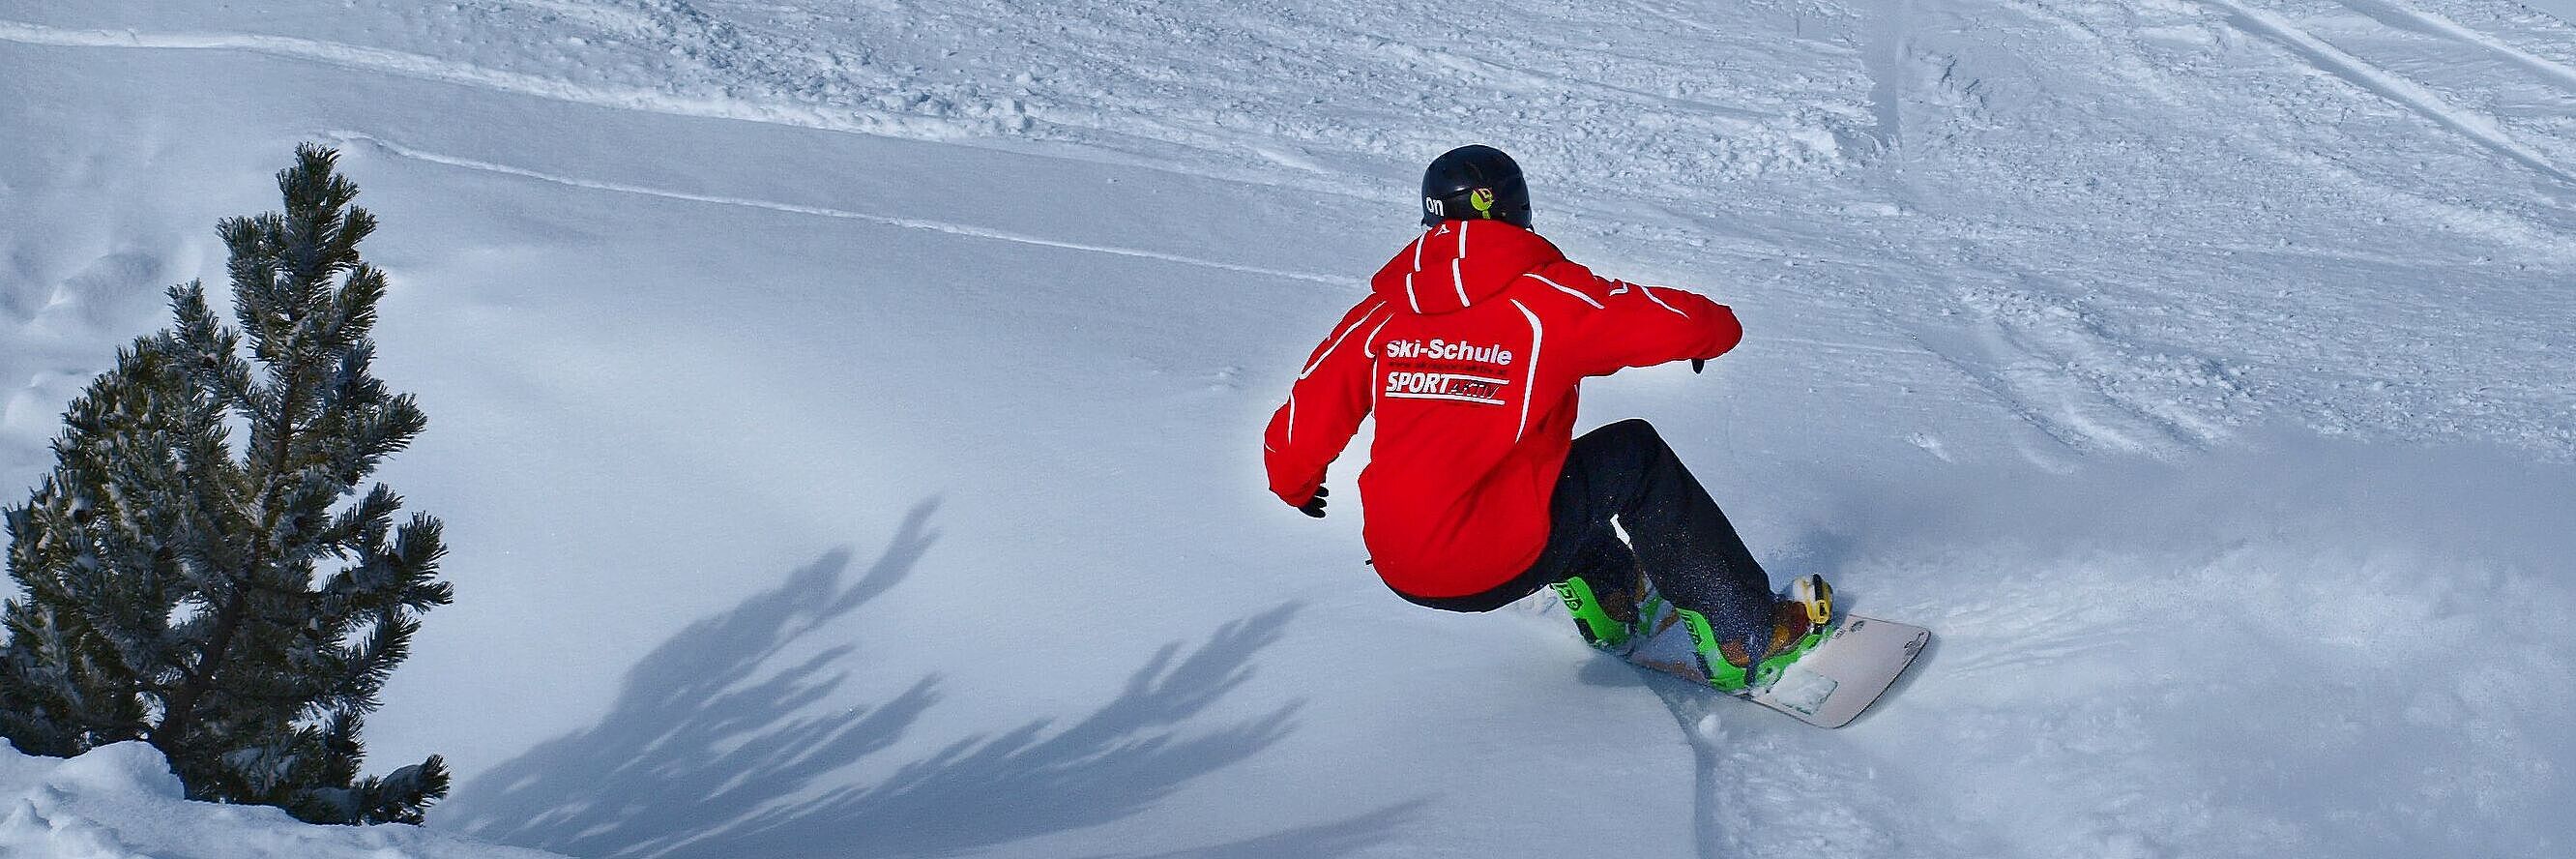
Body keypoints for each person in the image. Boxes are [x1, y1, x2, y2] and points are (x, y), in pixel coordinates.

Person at [1261, 144, 1831, 693]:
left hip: (1401, 563)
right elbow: (1669, 319)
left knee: (1553, 474)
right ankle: (1747, 631)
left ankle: (1610, 597)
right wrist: (1712, 332)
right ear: (1520, 210)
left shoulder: (1383, 313)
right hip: (1498, 556)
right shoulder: (1543, 298)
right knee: (1635, 457)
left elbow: (1301, 423)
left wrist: (1296, 485)